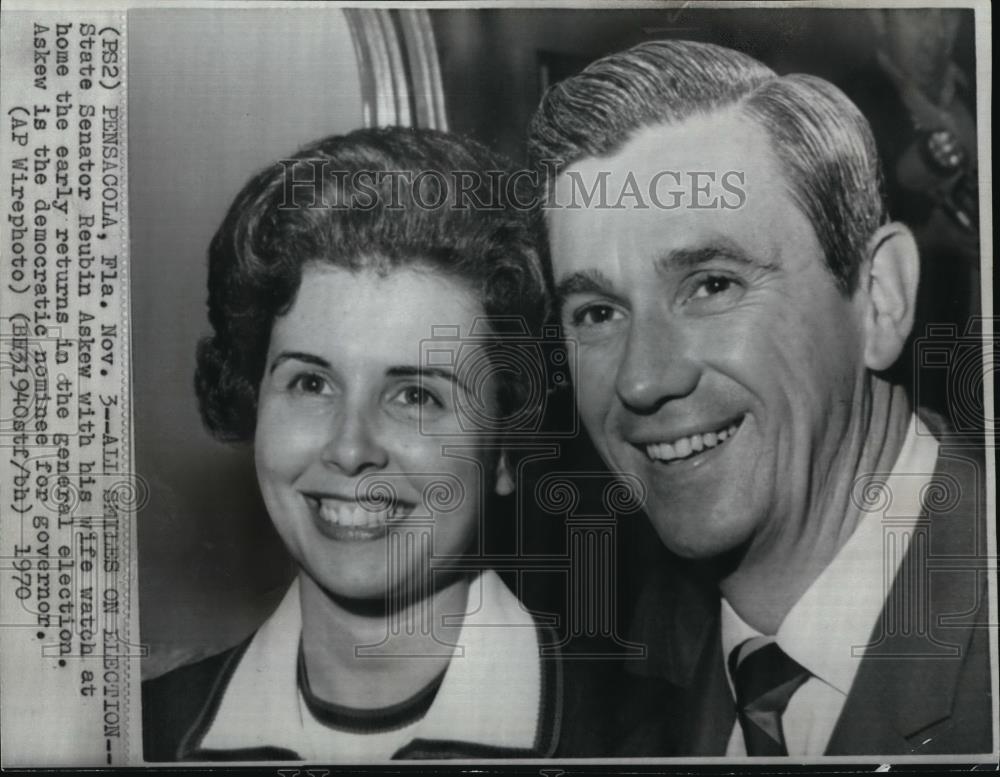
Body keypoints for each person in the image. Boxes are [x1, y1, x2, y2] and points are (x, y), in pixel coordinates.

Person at [141, 127, 678, 761]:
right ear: (252, 398)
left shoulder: (655, 742)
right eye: (311, 382)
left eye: (416, 396)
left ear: (508, 443)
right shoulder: (140, 734)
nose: (350, 448)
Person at [528, 40, 992, 756]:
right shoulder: (617, 689)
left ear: (881, 299)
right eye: (596, 312)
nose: (642, 380)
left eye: (712, 284)